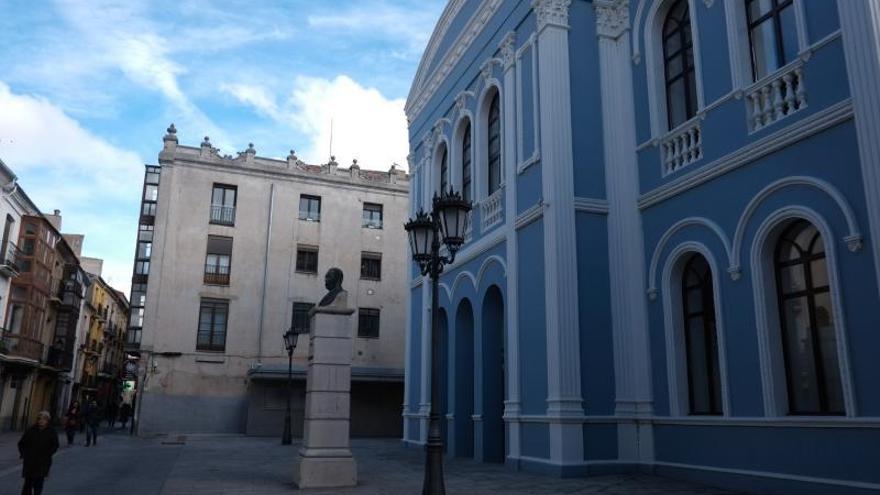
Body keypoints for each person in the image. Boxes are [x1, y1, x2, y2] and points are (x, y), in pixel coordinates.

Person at [18, 411, 59, 495]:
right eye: (39, 419)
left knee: (38, 482)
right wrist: (23, 454)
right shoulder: (31, 430)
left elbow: (55, 445)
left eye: (44, 419)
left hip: (43, 461)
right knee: (28, 483)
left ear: (48, 421)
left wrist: (49, 453)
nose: (41, 421)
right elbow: (21, 443)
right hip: (30, 461)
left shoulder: (52, 431)